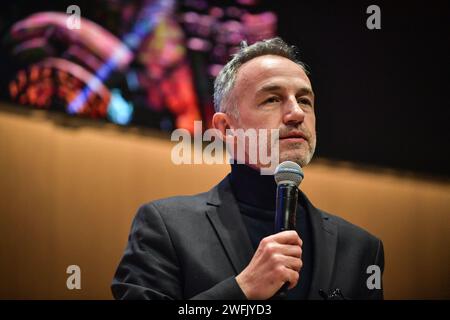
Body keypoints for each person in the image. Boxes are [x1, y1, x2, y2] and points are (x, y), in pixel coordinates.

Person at [111, 37, 384, 300]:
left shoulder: (361, 249)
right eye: (272, 99)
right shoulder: (166, 227)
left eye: (304, 100)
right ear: (227, 129)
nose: (297, 114)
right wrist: (242, 289)